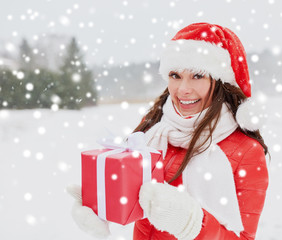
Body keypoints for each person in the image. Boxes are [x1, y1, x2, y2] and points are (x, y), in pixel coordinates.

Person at [67, 22, 269, 240]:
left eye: (197, 75)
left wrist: (190, 223)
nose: (183, 89)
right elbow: (138, 205)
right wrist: (104, 210)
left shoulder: (247, 151)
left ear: (222, 82)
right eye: (175, 75)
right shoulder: (155, 130)